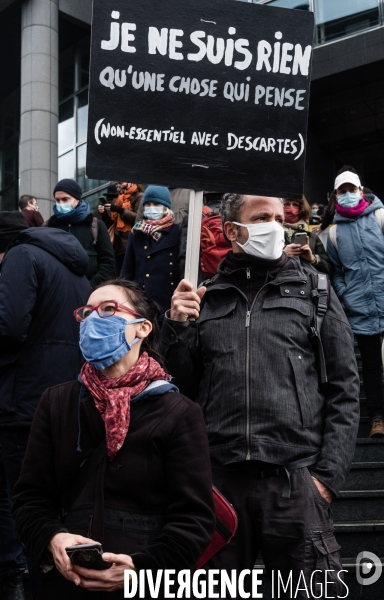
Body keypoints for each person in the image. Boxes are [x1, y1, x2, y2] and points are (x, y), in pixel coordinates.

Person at [161, 194, 360, 599]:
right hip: (222, 483)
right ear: (233, 231)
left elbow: (345, 385)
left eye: (278, 216)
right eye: (262, 217)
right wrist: (177, 325)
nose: (275, 224)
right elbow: (181, 389)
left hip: (295, 481)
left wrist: (325, 479)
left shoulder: (315, 290)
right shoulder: (206, 297)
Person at [12, 279, 215, 599]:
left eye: (108, 310)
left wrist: (140, 571)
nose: (93, 319)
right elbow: (31, 498)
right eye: (87, 312)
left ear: (143, 328)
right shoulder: (57, 403)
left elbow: (194, 520)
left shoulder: (178, 412)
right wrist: (53, 538)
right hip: (66, 586)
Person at [0, 211, 91, 600]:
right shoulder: (72, 264)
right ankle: (12, 569)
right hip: (67, 393)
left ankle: (31, 584)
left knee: (27, 501)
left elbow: (9, 326)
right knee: (0, 479)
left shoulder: (20, 256)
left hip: (28, 396)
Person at [327, 170, 384, 438]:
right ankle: (377, 418)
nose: (348, 194)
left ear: (362, 191)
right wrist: (345, 293)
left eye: (352, 189)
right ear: (335, 196)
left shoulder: (381, 217)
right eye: (342, 190)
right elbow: (336, 271)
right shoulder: (333, 233)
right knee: (371, 366)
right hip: (359, 309)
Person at [121, 186, 181, 320]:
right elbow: (127, 272)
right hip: (142, 306)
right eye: (148, 204)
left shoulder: (177, 232)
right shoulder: (136, 234)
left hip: (169, 306)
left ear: (165, 207)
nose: (151, 207)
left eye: (156, 204)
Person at [46, 179, 115, 288]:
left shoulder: (95, 225)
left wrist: (91, 286)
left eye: (65, 199)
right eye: (57, 200)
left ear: (77, 199)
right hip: (57, 291)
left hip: (88, 292)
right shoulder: (49, 226)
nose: (61, 204)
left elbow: (108, 262)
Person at [98, 183, 143, 276]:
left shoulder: (139, 197)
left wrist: (119, 210)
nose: (118, 185)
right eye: (117, 183)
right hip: (118, 245)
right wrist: (104, 214)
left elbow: (138, 219)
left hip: (131, 242)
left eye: (120, 182)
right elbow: (112, 223)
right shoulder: (118, 198)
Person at [283, 196, 332, 275]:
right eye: (286, 204)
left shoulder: (312, 237)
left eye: (295, 204)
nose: (291, 208)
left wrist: (313, 259)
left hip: (307, 284)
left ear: (301, 208)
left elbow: (329, 269)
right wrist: (282, 255)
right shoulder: (273, 235)